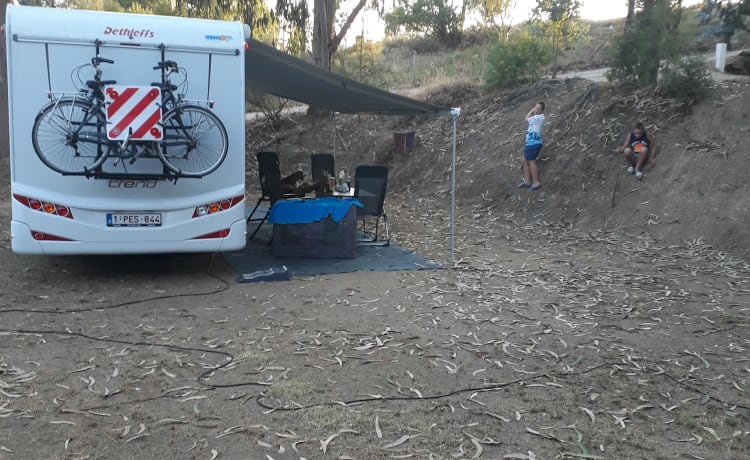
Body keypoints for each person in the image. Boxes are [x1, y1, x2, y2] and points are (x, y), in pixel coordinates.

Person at [519, 101, 545, 191]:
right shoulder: (536, 117)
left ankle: (536, 182)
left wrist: (531, 110)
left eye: (539, 108)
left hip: (534, 143)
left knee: (531, 161)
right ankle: (527, 181)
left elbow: (526, 118)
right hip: (530, 142)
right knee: (525, 160)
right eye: (536, 107)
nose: (536, 110)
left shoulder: (539, 117)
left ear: (542, 110)